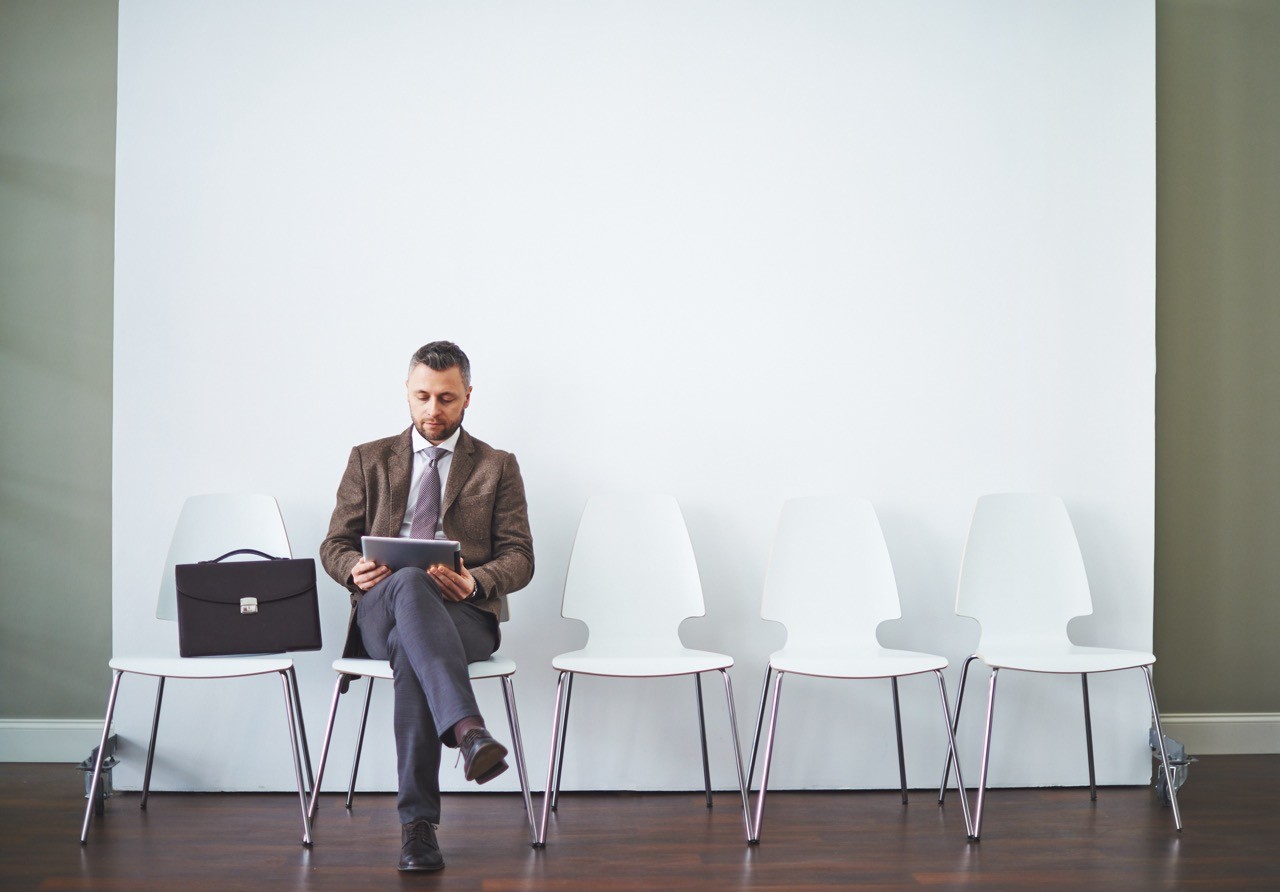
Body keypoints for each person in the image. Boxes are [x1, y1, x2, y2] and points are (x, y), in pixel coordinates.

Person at [320, 341, 534, 871]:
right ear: (408, 394)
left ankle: (418, 829)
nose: (433, 410)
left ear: (467, 397)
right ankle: (469, 733)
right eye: (422, 397)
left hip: (465, 616)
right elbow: (334, 544)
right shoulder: (368, 459)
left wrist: (477, 580)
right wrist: (352, 568)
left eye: (446, 398)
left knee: (410, 654)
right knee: (410, 582)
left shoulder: (496, 466)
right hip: (381, 608)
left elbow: (520, 557)